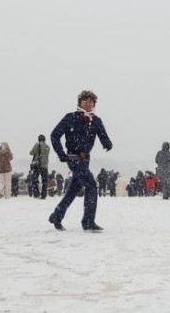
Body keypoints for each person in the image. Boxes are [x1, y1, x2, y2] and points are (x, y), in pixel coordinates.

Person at [48, 90, 113, 232]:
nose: (88, 104)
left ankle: (57, 216)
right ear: (80, 102)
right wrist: (61, 154)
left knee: (72, 191)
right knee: (91, 186)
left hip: (85, 160)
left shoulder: (95, 120)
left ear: (94, 104)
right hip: (73, 158)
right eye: (85, 101)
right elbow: (55, 135)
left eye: (91, 102)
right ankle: (88, 222)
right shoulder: (70, 118)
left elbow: (102, 135)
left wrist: (107, 143)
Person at [29, 135, 51, 200]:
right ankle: (43, 195)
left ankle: (36, 194)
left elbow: (31, 153)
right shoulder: (48, 147)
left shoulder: (37, 145)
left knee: (34, 179)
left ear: (39, 139)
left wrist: (36, 145)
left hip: (37, 165)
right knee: (44, 181)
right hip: (45, 166)